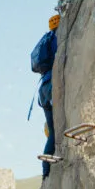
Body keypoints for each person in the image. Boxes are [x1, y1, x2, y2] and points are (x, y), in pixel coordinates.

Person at [30, 11, 59, 178]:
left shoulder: (46, 40)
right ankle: (47, 170)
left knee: (53, 130)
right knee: (58, 126)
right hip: (53, 87)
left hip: (43, 90)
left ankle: (45, 172)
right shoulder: (55, 39)